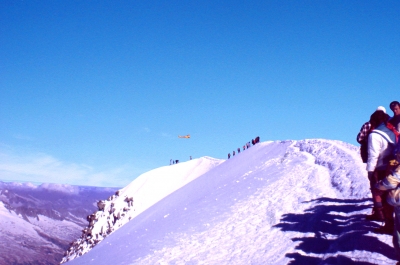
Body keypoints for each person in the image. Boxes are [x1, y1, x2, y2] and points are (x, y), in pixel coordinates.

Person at [366, 113, 397, 234]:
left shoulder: (374, 135)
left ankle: (388, 224)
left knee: (383, 197)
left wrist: (370, 171)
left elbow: (373, 155)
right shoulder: (392, 132)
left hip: (381, 169)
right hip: (394, 167)